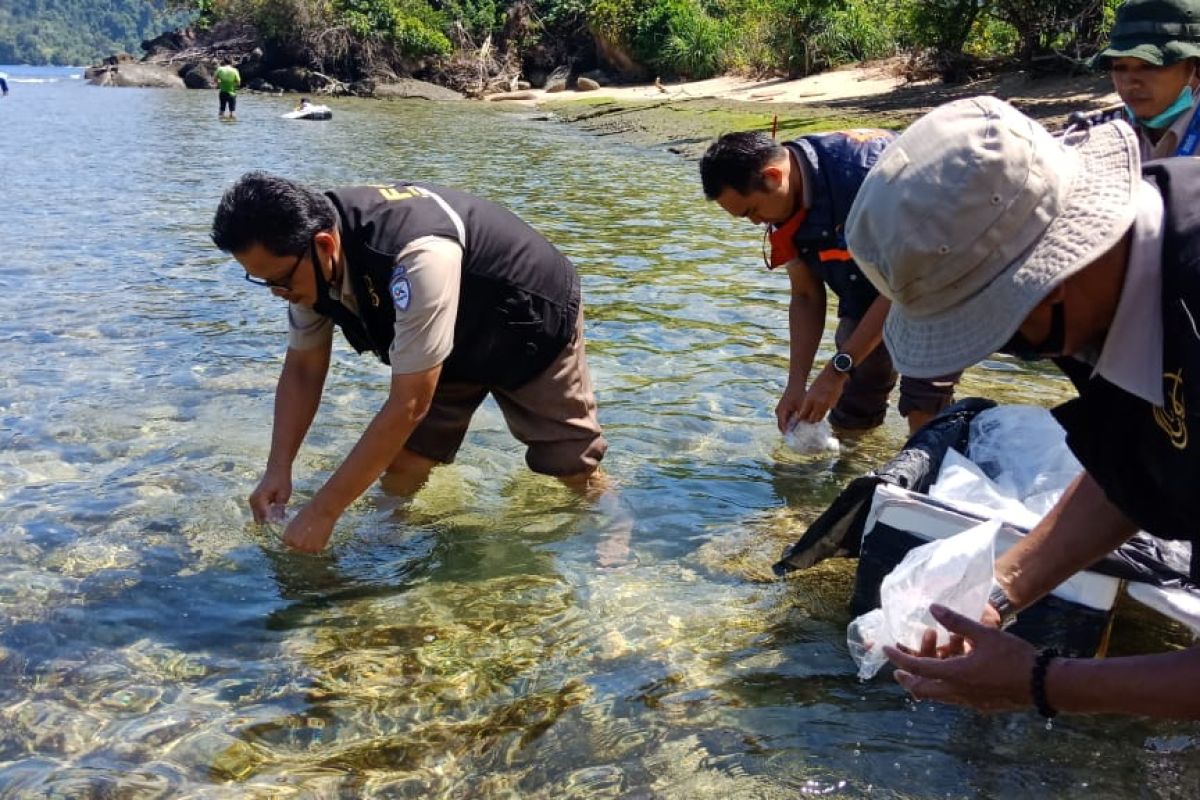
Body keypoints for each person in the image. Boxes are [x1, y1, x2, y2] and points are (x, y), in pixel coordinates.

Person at [843, 94, 1200, 719]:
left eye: (999, 331)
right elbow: (1134, 464)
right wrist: (998, 593)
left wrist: (1040, 682)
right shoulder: (1112, 283)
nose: (1000, 354)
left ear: (1057, 269)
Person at [211, 172, 608, 553]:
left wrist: (324, 511)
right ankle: (389, 547)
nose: (276, 293)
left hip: (525, 317)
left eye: (279, 281)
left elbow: (409, 404)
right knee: (404, 464)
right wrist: (278, 469)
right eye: (262, 282)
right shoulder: (307, 264)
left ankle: (614, 529)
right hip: (438, 339)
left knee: (570, 465)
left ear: (324, 246)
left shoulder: (418, 255)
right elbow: (303, 368)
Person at [699, 131, 959, 438]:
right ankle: (853, 467)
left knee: (923, 406)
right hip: (869, 285)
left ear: (772, 176)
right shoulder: (782, 199)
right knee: (851, 406)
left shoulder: (869, 181)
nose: (756, 222)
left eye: (752, 211)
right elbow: (806, 294)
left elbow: (902, 289)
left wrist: (836, 371)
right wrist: (797, 384)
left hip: (939, 278)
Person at [1089, 0, 1200, 161]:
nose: (1129, 83)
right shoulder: (1099, 136)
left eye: (1149, 66)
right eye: (1120, 68)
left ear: (1195, 66)